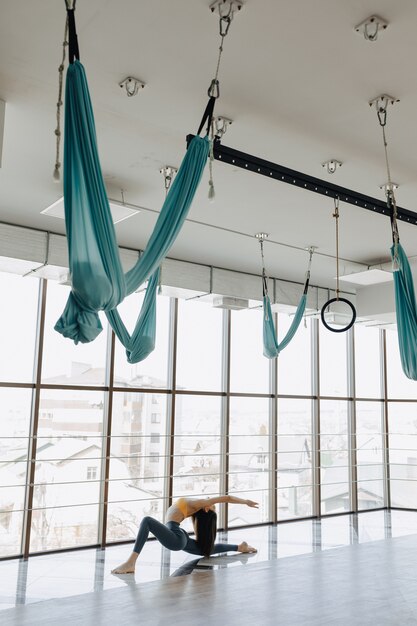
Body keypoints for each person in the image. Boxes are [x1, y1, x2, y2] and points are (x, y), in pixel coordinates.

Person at [111, 495, 258, 574]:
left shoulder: (201, 504)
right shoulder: (195, 507)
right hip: (179, 535)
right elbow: (225, 498)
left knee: (147, 521)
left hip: (177, 536)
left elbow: (226, 498)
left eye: (212, 505)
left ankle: (131, 562)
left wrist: (245, 502)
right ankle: (239, 547)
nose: (211, 501)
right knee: (203, 549)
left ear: (207, 509)